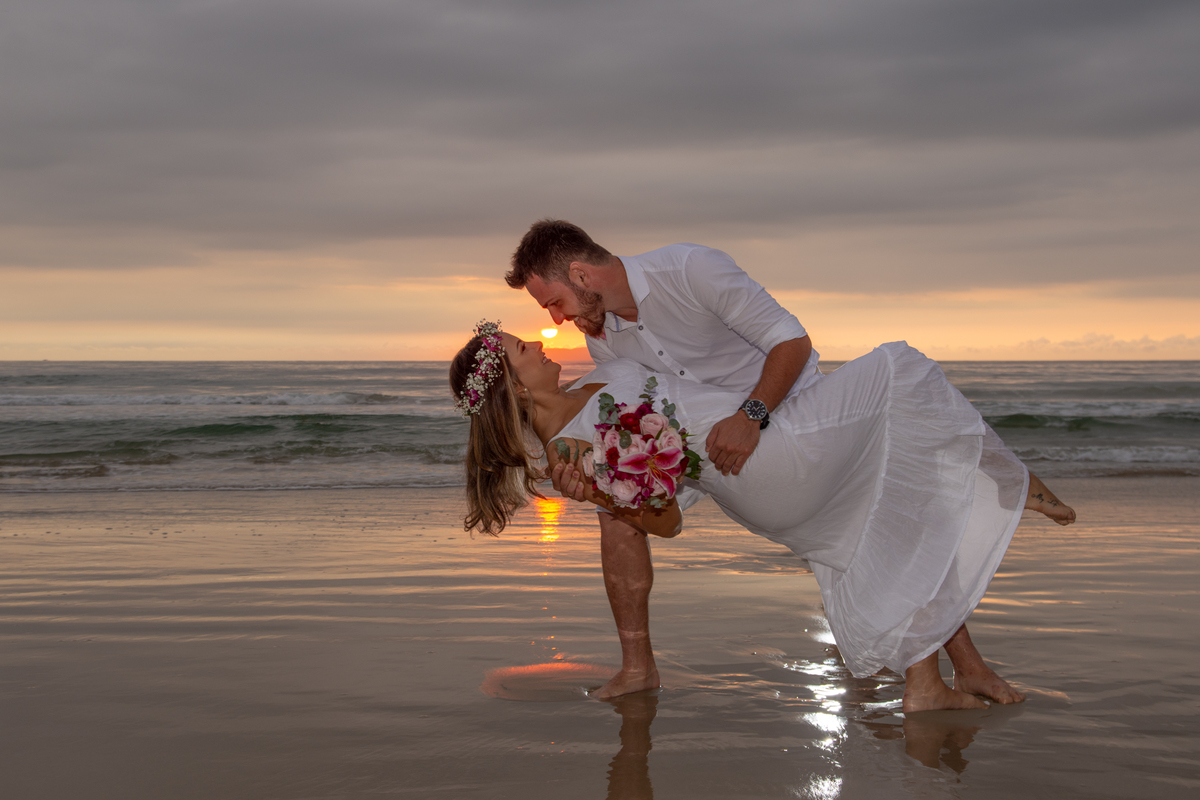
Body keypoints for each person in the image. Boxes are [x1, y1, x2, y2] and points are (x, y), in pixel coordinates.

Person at [449, 322, 1076, 713]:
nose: (538, 343)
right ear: (515, 387)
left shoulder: (598, 376)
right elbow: (666, 522)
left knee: (886, 531)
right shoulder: (573, 453)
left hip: (764, 467)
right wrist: (607, 498)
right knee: (897, 364)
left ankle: (929, 685)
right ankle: (1011, 480)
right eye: (522, 348)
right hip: (769, 461)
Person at [505, 219, 821, 700]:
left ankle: (934, 660)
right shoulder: (602, 339)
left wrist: (750, 416)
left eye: (554, 302)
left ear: (581, 275)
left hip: (788, 410)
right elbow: (640, 420)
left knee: (848, 533)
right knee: (615, 512)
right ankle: (638, 668)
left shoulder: (691, 269)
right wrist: (604, 485)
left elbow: (792, 341)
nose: (556, 319)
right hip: (711, 445)